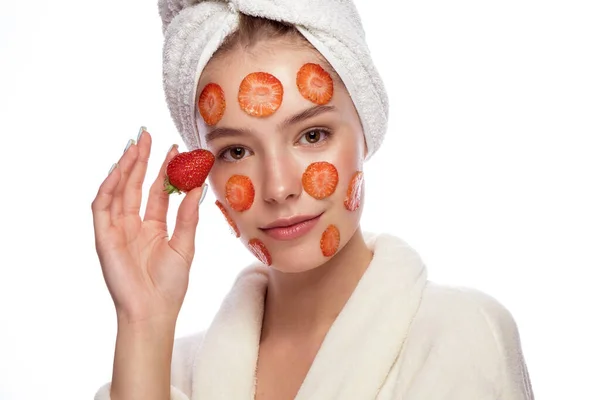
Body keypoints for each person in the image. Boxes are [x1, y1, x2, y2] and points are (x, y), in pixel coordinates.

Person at [93, 1, 534, 399]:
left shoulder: (463, 336)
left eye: (312, 134)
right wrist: (143, 323)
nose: (279, 187)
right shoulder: (165, 373)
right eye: (236, 151)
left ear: (366, 128)